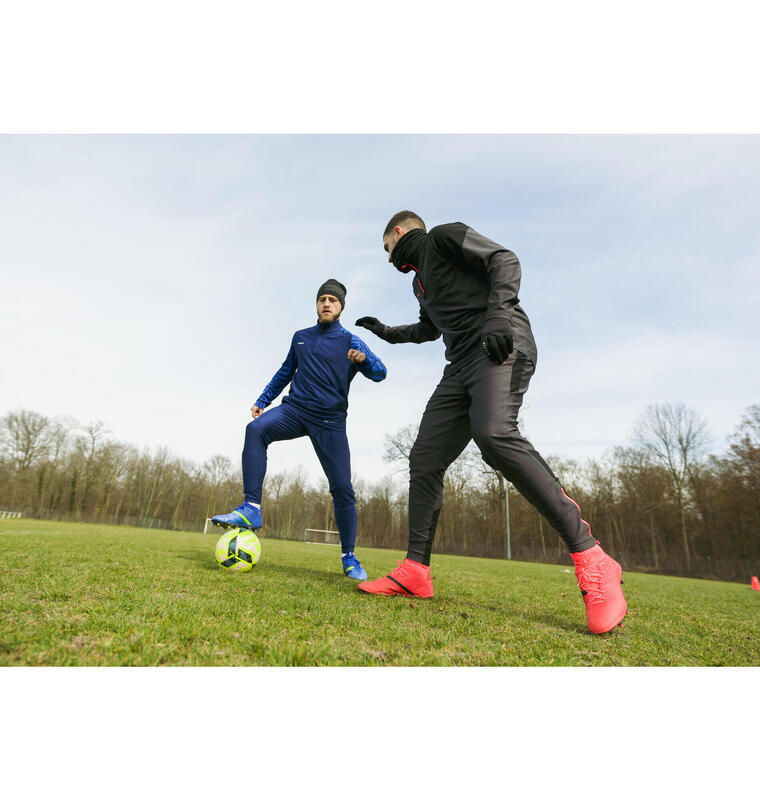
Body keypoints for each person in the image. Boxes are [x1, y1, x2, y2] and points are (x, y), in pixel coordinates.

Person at [354, 212, 627, 634]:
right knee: (424, 457)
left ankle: (592, 557)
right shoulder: (419, 283)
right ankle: (414, 571)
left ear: (398, 233)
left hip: (499, 341)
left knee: (494, 434)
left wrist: (500, 313)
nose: (388, 257)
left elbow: (505, 259)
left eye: (386, 247)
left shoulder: (443, 237)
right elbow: (430, 329)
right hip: (459, 364)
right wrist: (389, 333)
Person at [212, 279, 387, 581]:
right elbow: (285, 372)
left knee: (342, 489)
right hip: (294, 410)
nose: (327, 304)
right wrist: (262, 400)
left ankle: (349, 556)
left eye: (333, 299)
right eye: (322, 299)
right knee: (255, 430)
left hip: (330, 422)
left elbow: (380, 373)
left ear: (341, 306)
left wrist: (365, 360)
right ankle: (252, 507)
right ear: (317, 305)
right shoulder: (301, 337)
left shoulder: (350, 341)